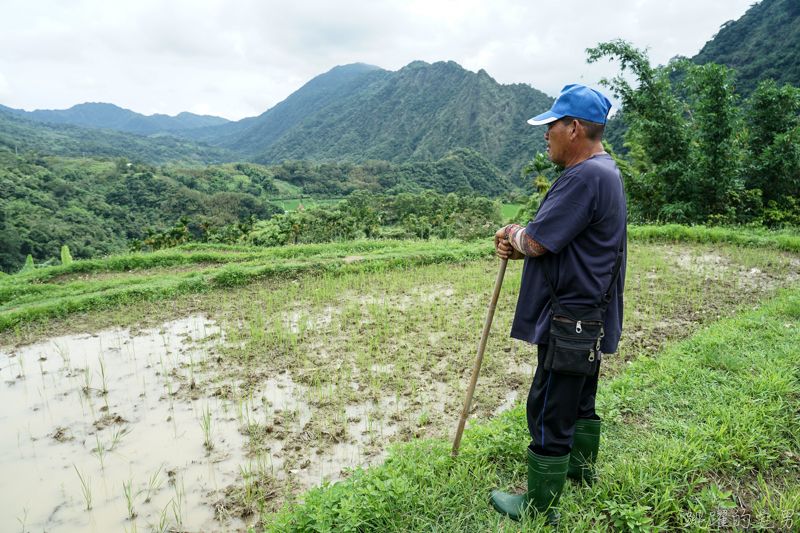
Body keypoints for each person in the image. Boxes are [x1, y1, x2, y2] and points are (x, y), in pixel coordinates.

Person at [489, 84, 627, 524]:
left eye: (551, 126)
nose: (545, 134)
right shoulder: (606, 170)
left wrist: (511, 234)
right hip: (590, 311)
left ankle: (539, 506)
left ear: (573, 128)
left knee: (549, 403)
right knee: (579, 394)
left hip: (568, 313)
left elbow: (536, 241)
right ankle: (580, 471)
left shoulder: (584, 176)